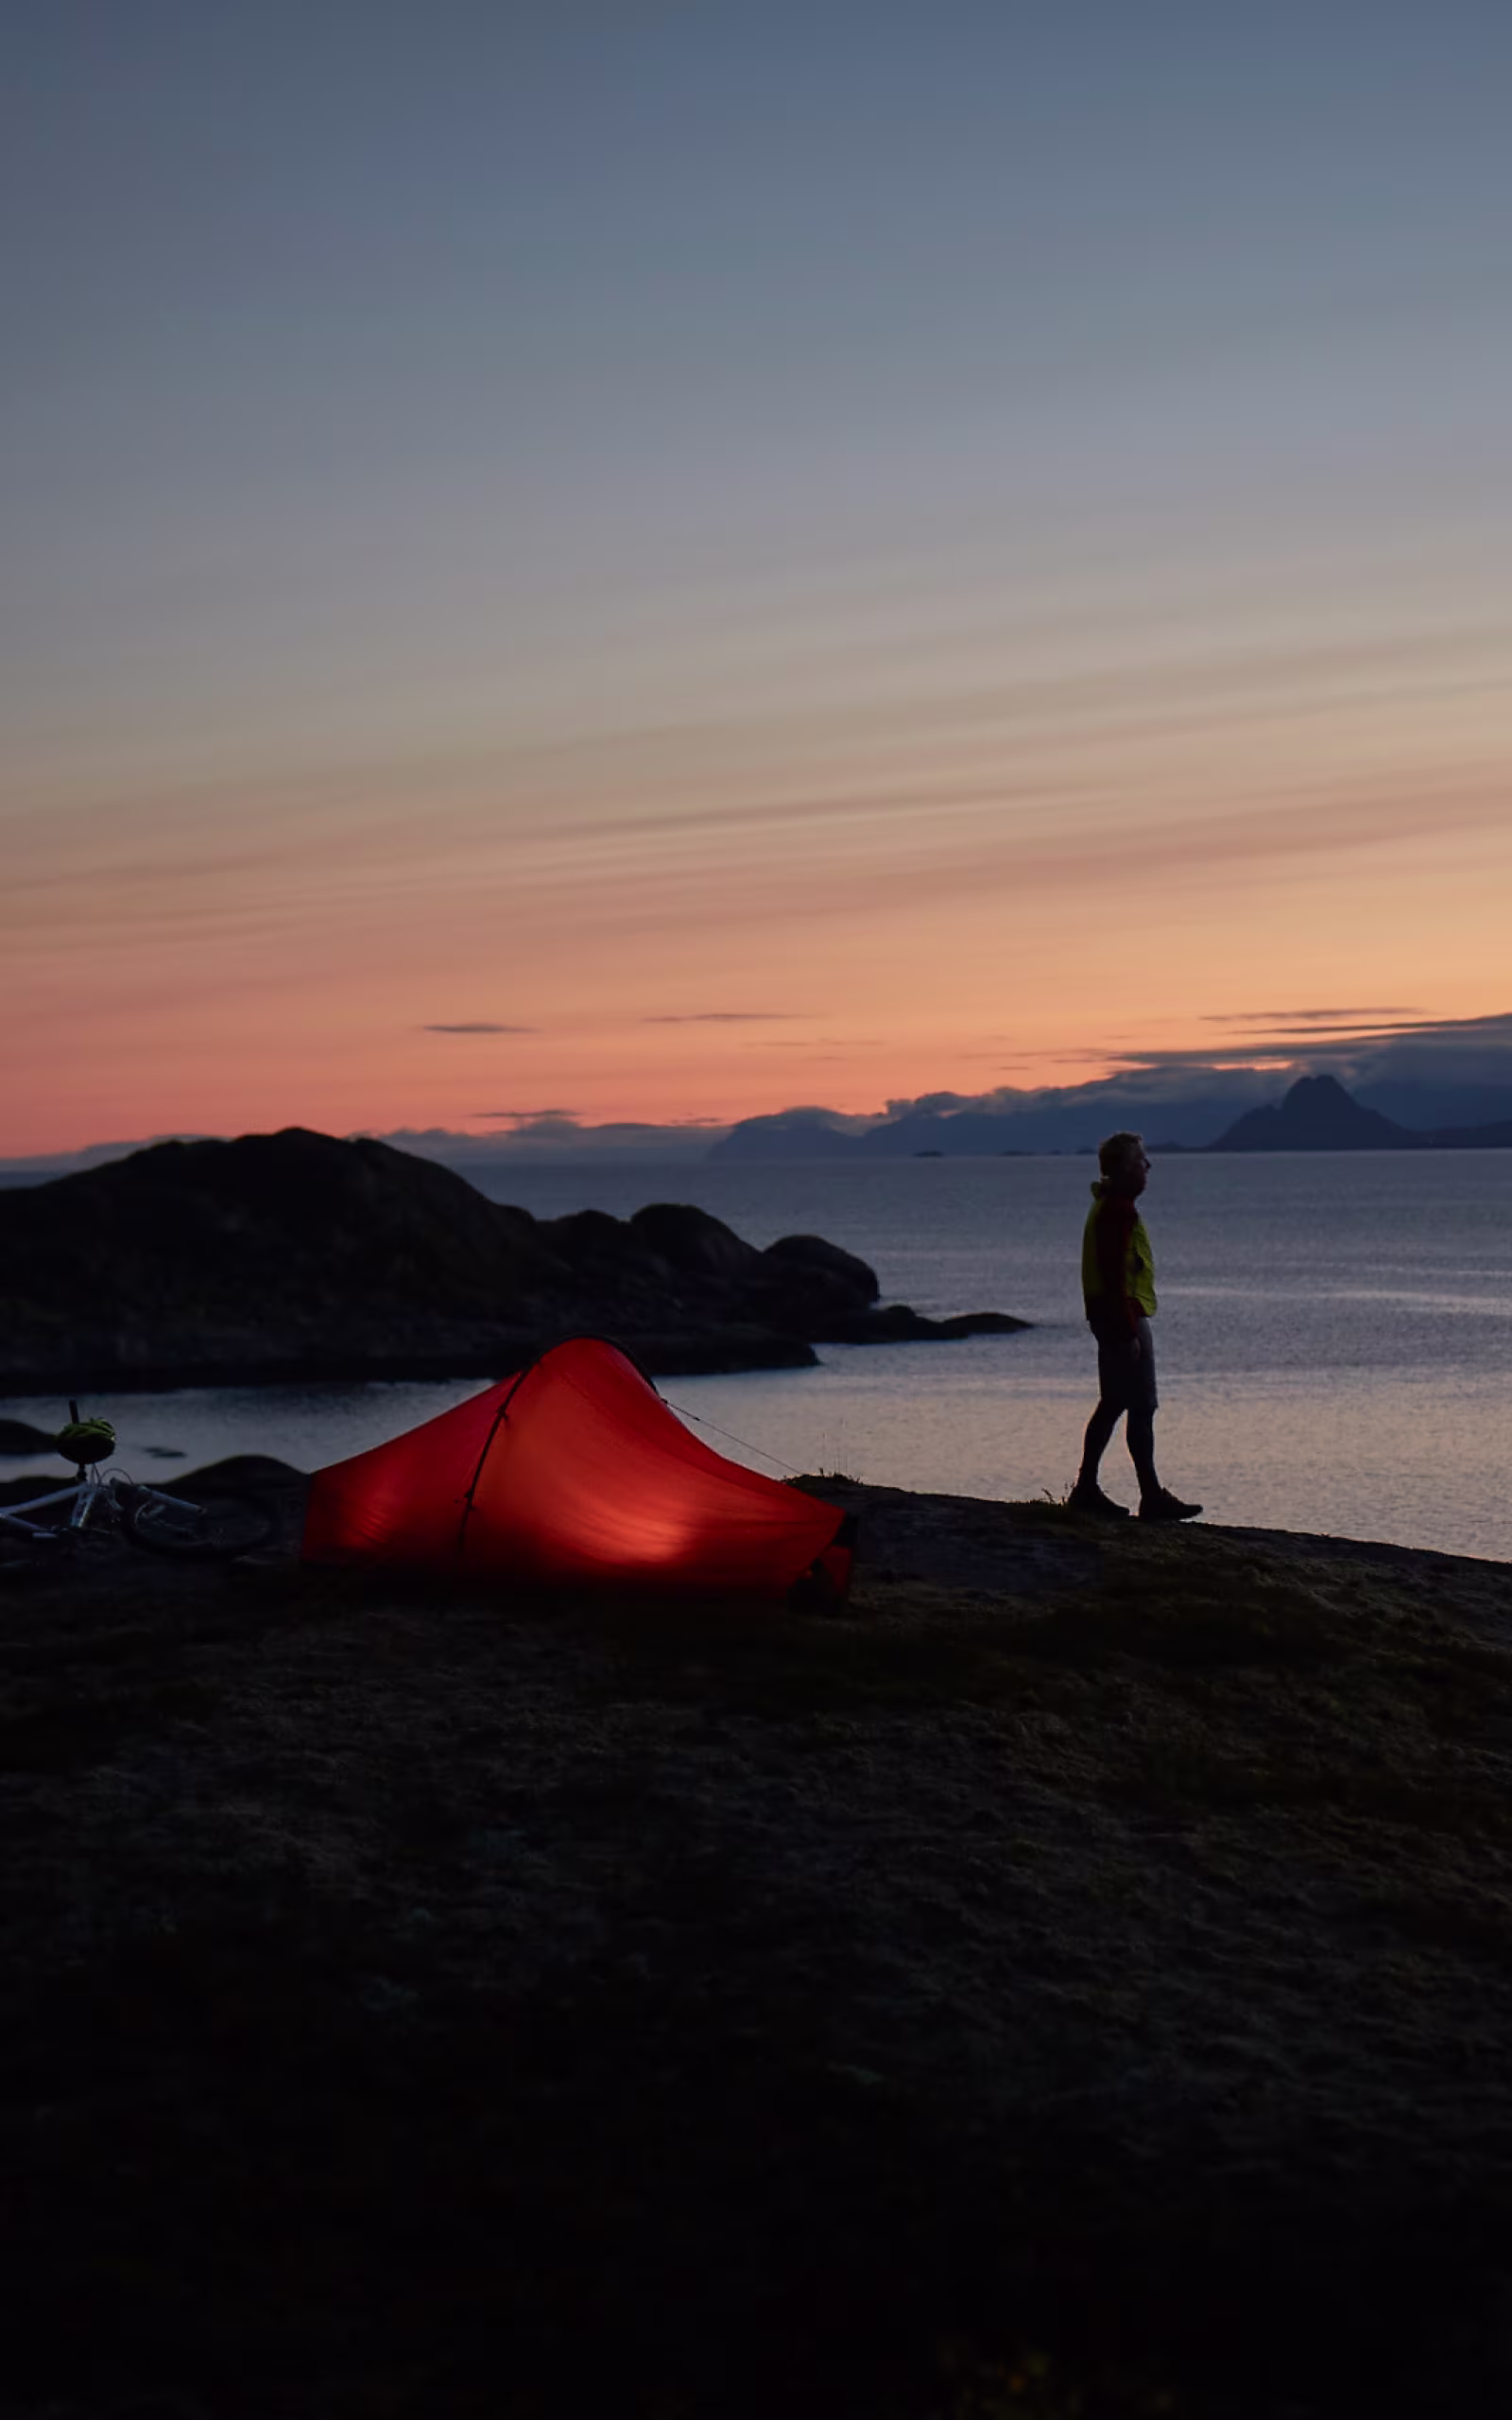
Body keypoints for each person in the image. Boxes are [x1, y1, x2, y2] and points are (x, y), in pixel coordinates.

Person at [1069, 1131, 1202, 1523]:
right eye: (1142, 1160)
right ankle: (1144, 1495)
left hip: (1114, 1313)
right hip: (1122, 1315)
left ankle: (1093, 1489)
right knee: (1137, 1404)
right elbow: (1113, 1273)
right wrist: (1128, 1332)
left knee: (1118, 1402)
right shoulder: (1117, 1210)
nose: (1148, 1167)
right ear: (1126, 1168)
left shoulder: (1109, 1206)